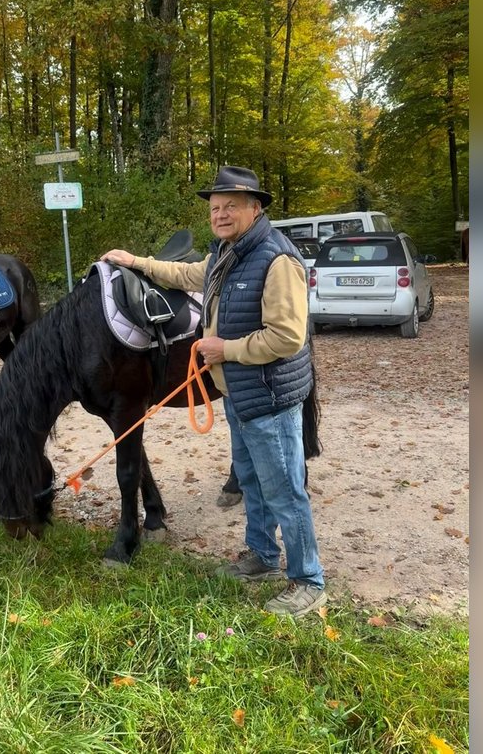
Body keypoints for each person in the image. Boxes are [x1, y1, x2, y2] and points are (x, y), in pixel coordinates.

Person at [101, 165, 326, 617]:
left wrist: (225, 348)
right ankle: (261, 557)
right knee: (252, 483)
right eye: (215, 208)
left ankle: (309, 581)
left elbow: (287, 337)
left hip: (269, 397)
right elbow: (187, 275)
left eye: (231, 207)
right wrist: (136, 262)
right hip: (240, 395)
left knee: (284, 490)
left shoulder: (276, 259)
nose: (220, 215)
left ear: (255, 208)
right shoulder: (228, 253)